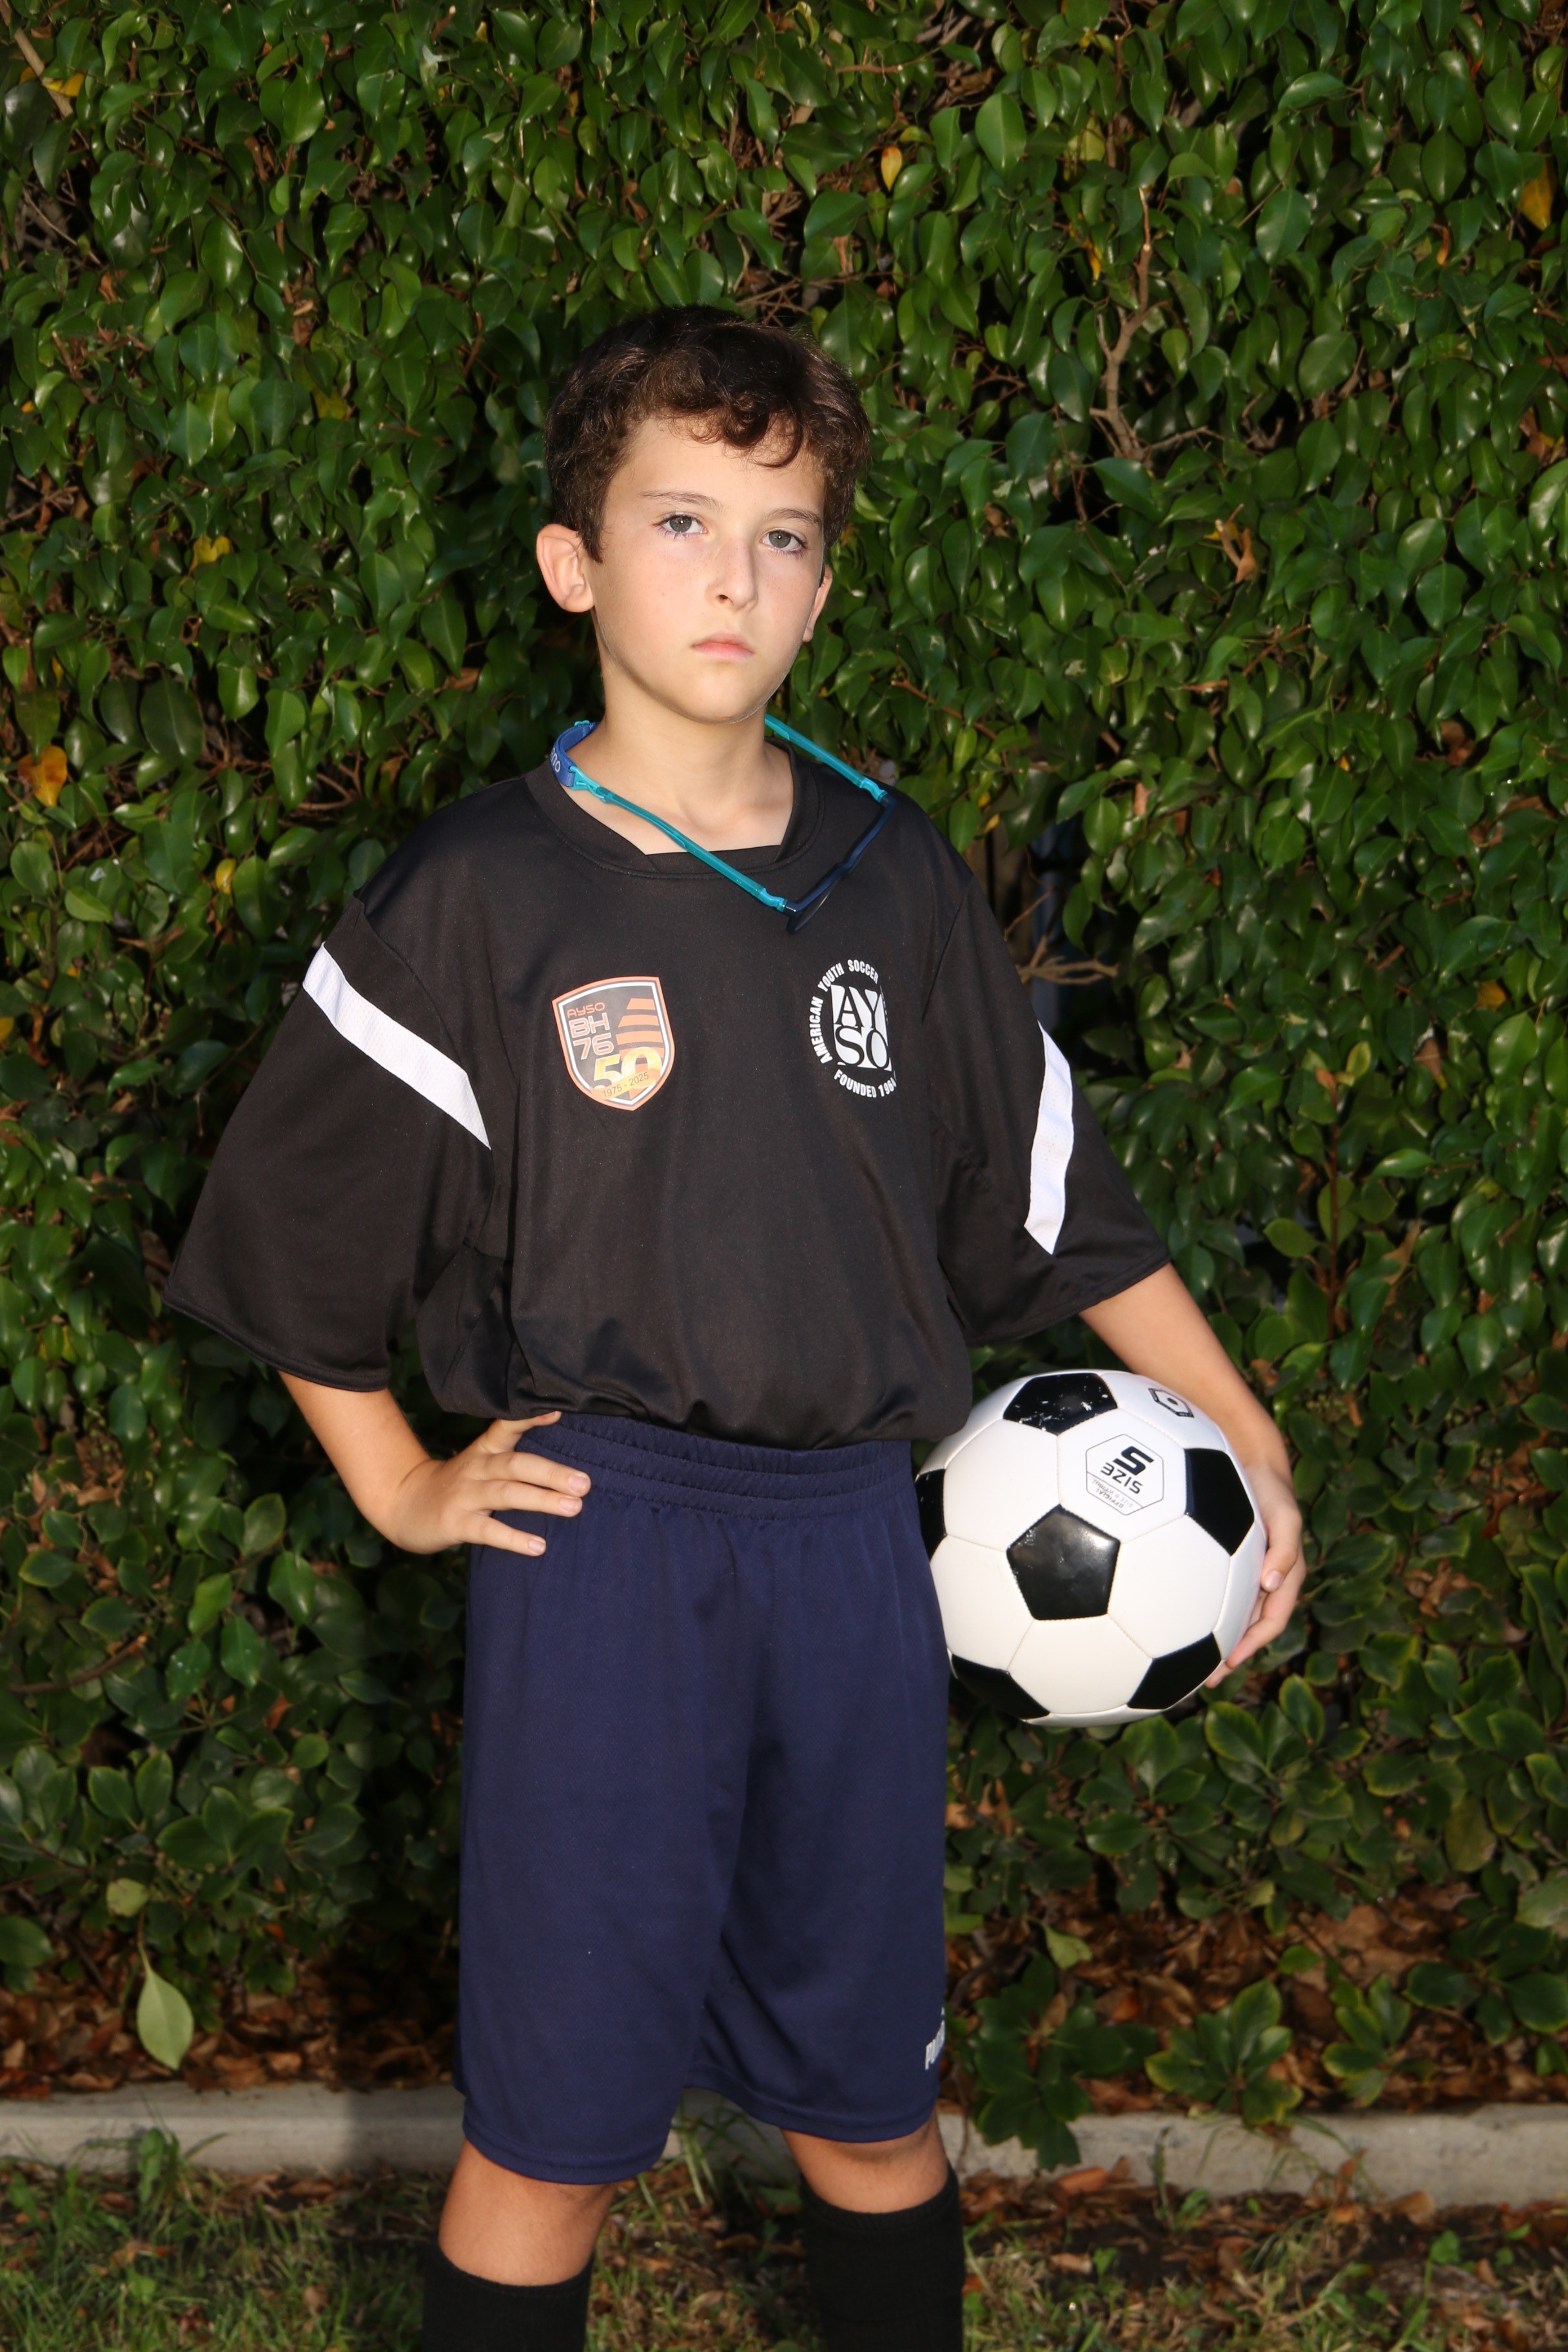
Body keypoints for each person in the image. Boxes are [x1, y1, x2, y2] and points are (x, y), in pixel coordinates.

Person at [164, 306, 1307, 2352]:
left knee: (873, 2113)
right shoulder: (480, 895)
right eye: (680, 521)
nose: (734, 576)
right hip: (607, 1554)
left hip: (858, 1550)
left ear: (826, 585)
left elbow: (1057, 1209)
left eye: (784, 536)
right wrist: (403, 1482)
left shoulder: (896, 877)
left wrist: (1247, 1433)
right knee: (556, 2139)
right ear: (571, 563)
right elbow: (296, 1230)